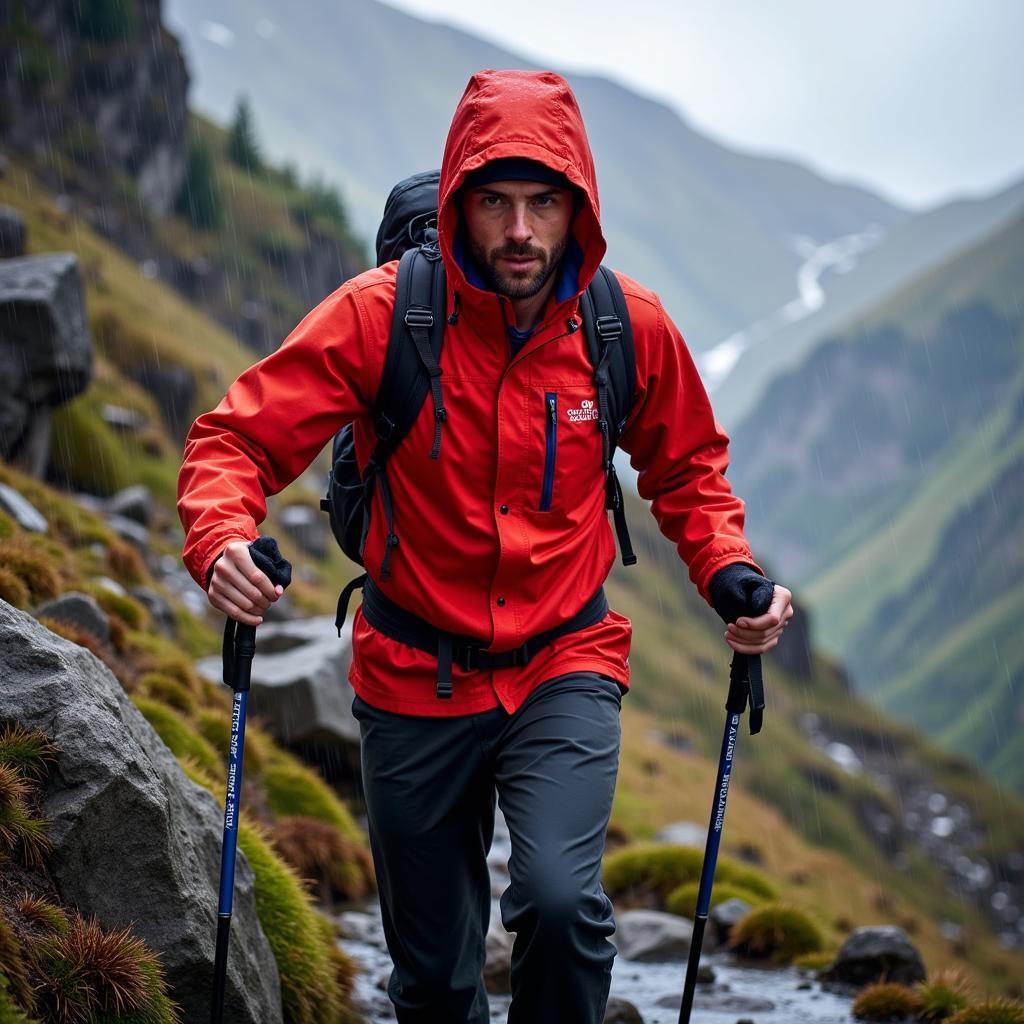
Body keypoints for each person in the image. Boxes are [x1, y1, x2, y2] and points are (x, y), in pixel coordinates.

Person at [177, 69, 794, 1024]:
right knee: (432, 980)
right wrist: (220, 538)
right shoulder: (384, 316)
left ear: (576, 208)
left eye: (543, 203)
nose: (519, 230)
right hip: (413, 670)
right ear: (460, 202)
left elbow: (689, 469)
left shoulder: (622, 327)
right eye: (496, 202)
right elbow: (237, 439)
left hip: (565, 662)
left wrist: (730, 572)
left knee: (558, 902)